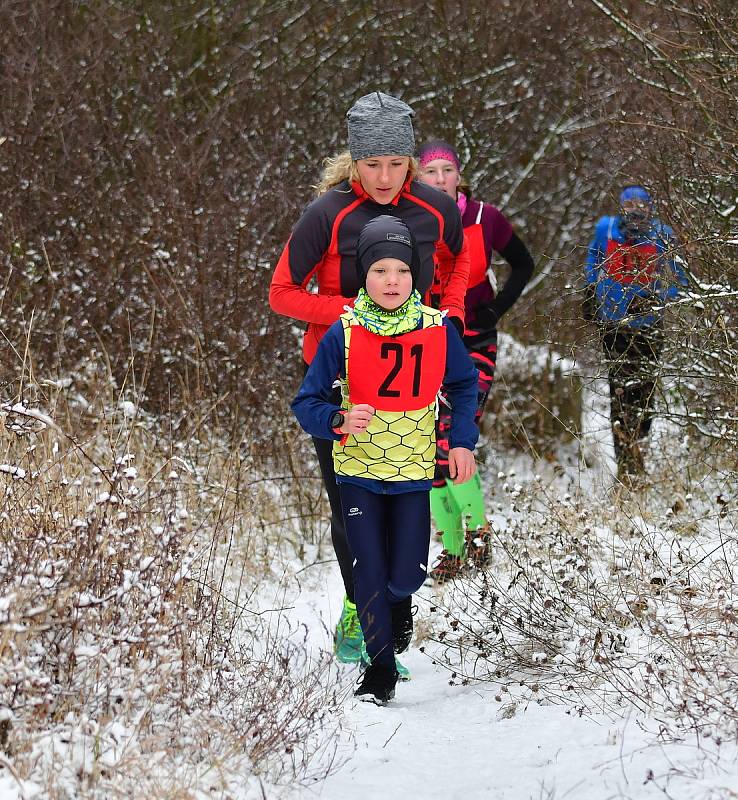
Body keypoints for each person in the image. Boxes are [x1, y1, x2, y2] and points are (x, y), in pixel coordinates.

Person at [270, 93, 471, 664]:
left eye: (395, 163)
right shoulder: (326, 215)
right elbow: (281, 293)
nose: (384, 177)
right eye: (372, 164)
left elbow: (460, 265)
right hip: (341, 381)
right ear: (353, 161)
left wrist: (450, 313)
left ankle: (389, 604)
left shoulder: (436, 209)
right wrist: (354, 316)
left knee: (404, 497)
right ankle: (365, 611)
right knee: (350, 505)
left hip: (413, 382)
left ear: (411, 160)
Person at [292, 215, 478, 704]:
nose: (390, 280)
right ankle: (379, 671)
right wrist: (336, 420)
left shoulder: (436, 328)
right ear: (362, 276)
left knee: (407, 575)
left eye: (400, 270)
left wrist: (461, 441)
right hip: (357, 470)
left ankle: (398, 605)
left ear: (415, 274)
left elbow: (462, 384)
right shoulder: (344, 332)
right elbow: (305, 402)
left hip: (412, 471)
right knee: (369, 569)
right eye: (378, 271)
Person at [417, 139, 535, 582]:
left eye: (448, 170)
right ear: (418, 178)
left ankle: (478, 535)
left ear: (459, 175)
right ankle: (451, 548)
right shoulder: (409, 220)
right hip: (426, 345)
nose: (441, 179)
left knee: (453, 438)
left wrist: (495, 308)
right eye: (432, 172)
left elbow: (523, 263)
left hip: (474, 343)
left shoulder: (484, 218)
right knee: (424, 449)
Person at [583, 184, 689, 481]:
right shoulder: (606, 229)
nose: (635, 209)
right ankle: (624, 466)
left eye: (640, 204)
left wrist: (658, 298)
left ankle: (639, 454)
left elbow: (682, 280)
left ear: (650, 206)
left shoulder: (662, 233)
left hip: (648, 324)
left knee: (645, 392)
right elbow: (591, 263)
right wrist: (591, 292)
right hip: (613, 321)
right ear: (621, 206)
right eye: (628, 203)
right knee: (619, 390)